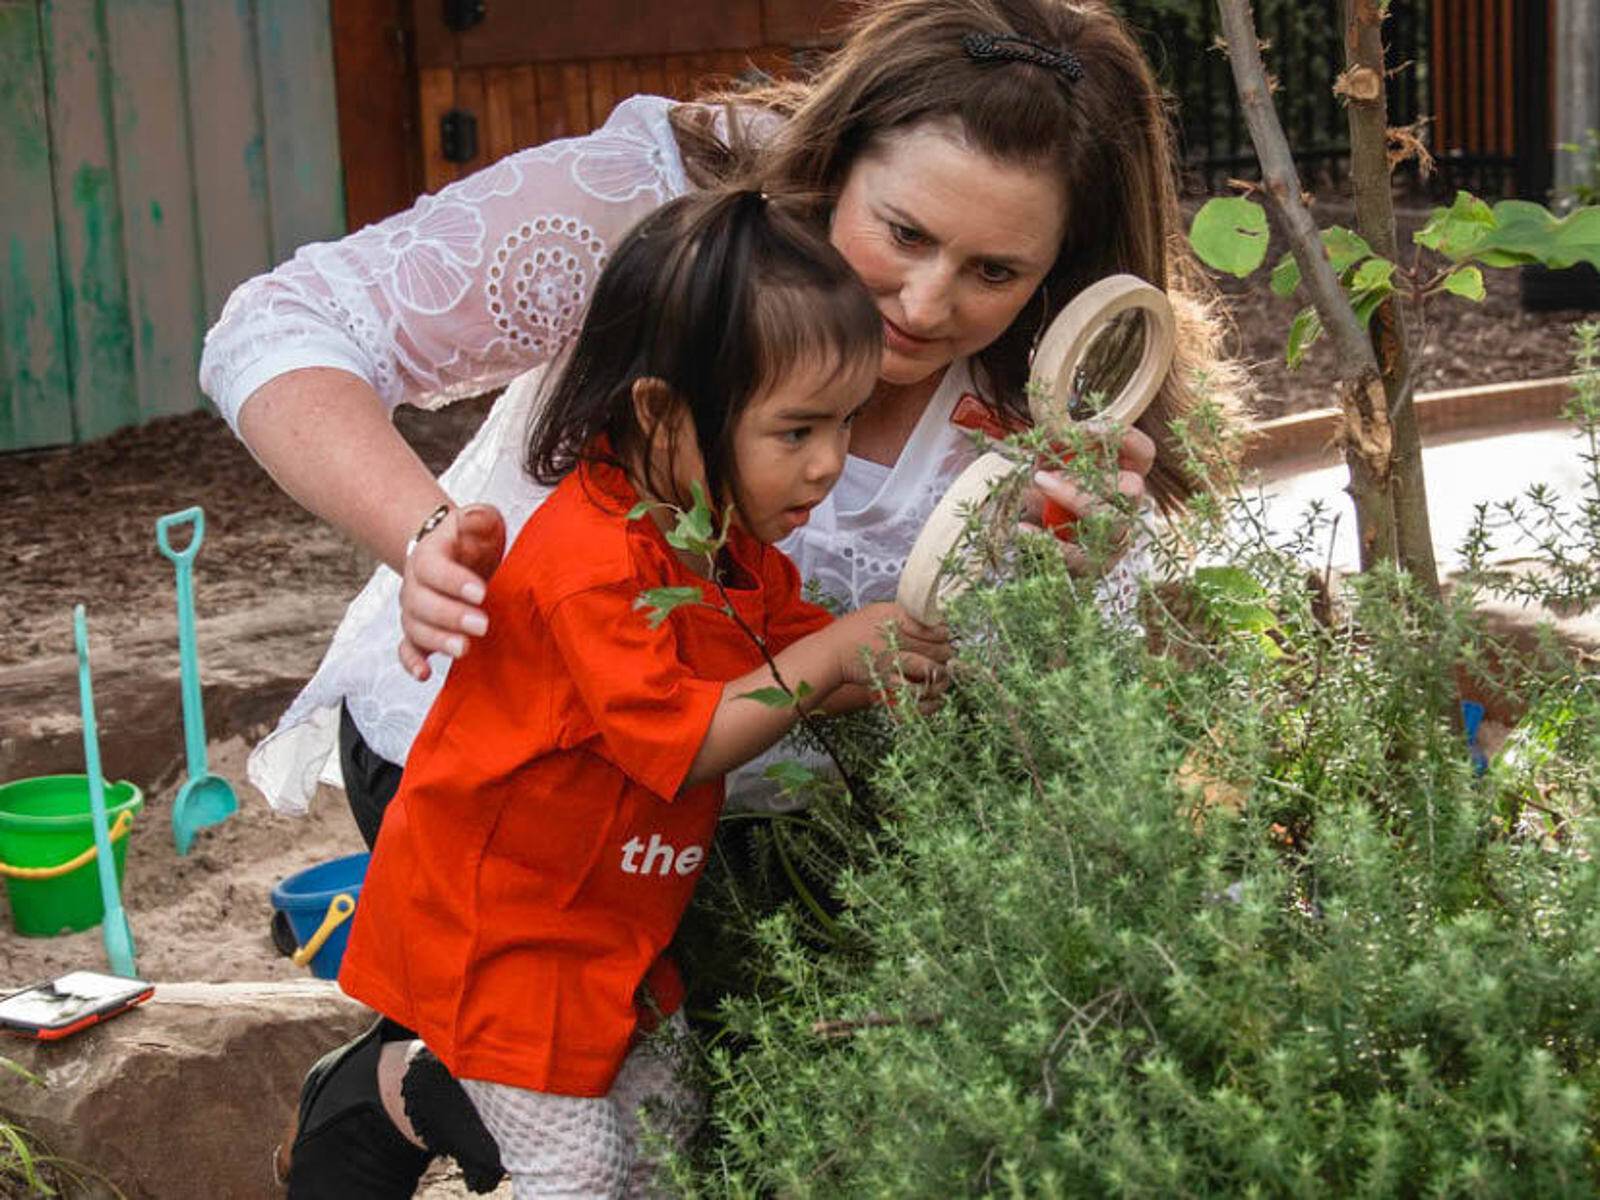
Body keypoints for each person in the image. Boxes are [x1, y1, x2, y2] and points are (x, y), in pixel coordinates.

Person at [199, 1, 1241, 1192]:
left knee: (734, 1114)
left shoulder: (1060, 382)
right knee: (578, 1135)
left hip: (736, 810)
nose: (924, 302)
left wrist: (1073, 590)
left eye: (994, 271)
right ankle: (404, 1090)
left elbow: (1029, 712)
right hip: (506, 776)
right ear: (833, 158)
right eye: (901, 232)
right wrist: (427, 536)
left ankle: (441, 1076)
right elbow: (278, 325)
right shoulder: (676, 219)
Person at [334, 185, 951, 1198]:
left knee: (664, 1136)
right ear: (661, 413)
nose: (829, 464)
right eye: (795, 431)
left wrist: (877, 671)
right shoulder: (592, 566)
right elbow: (696, 733)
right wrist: (839, 655)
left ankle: (423, 1084)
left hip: (612, 919)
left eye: (844, 424)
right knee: (575, 1174)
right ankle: (416, 1082)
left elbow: (780, 657)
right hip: (507, 929)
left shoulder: (713, 533)